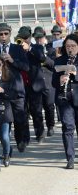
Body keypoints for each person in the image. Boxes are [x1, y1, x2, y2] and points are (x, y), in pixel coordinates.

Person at [0, 23, 29, 152]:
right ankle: (7, 148)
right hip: (1, 89)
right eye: (1, 34)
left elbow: (26, 67)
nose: (3, 36)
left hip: (16, 89)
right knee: (4, 120)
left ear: (10, 34)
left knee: (19, 118)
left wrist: (12, 60)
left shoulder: (17, 49)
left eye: (6, 34)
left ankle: (20, 140)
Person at [52, 34, 78, 169]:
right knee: (68, 127)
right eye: (68, 46)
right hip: (64, 99)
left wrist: (75, 74)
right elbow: (53, 82)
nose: (70, 49)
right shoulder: (59, 60)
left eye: (73, 46)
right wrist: (60, 80)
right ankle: (70, 158)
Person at [33, 26, 55, 136]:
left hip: (49, 82)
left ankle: (50, 126)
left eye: (40, 37)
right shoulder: (32, 49)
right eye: (36, 38)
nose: (38, 40)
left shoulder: (51, 48)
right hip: (36, 82)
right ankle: (39, 130)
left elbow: (54, 64)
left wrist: (44, 58)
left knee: (49, 106)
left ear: (44, 36)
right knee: (37, 109)